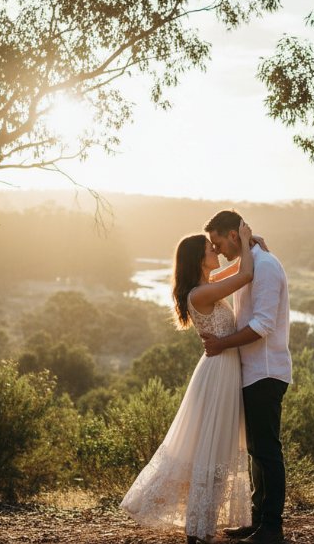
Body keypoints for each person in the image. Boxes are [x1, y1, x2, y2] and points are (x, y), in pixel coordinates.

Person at [121, 221, 260, 544]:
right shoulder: (202, 293)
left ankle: (201, 526)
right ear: (199, 259)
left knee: (216, 445)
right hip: (218, 372)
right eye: (211, 249)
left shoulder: (206, 286)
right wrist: (243, 239)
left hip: (222, 369)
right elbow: (245, 275)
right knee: (212, 447)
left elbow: (237, 270)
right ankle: (198, 529)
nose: (218, 252)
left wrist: (250, 244)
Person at [201, 210, 292, 544]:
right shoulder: (250, 263)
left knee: (266, 450)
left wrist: (221, 344)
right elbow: (211, 278)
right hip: (251, 372)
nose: (217, 249)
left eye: (218, 242)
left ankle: (272, 527)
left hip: (266, 371)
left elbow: (262, 325)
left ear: (233, 235)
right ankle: (256, 520)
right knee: (256, 449)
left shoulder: (265, 267)